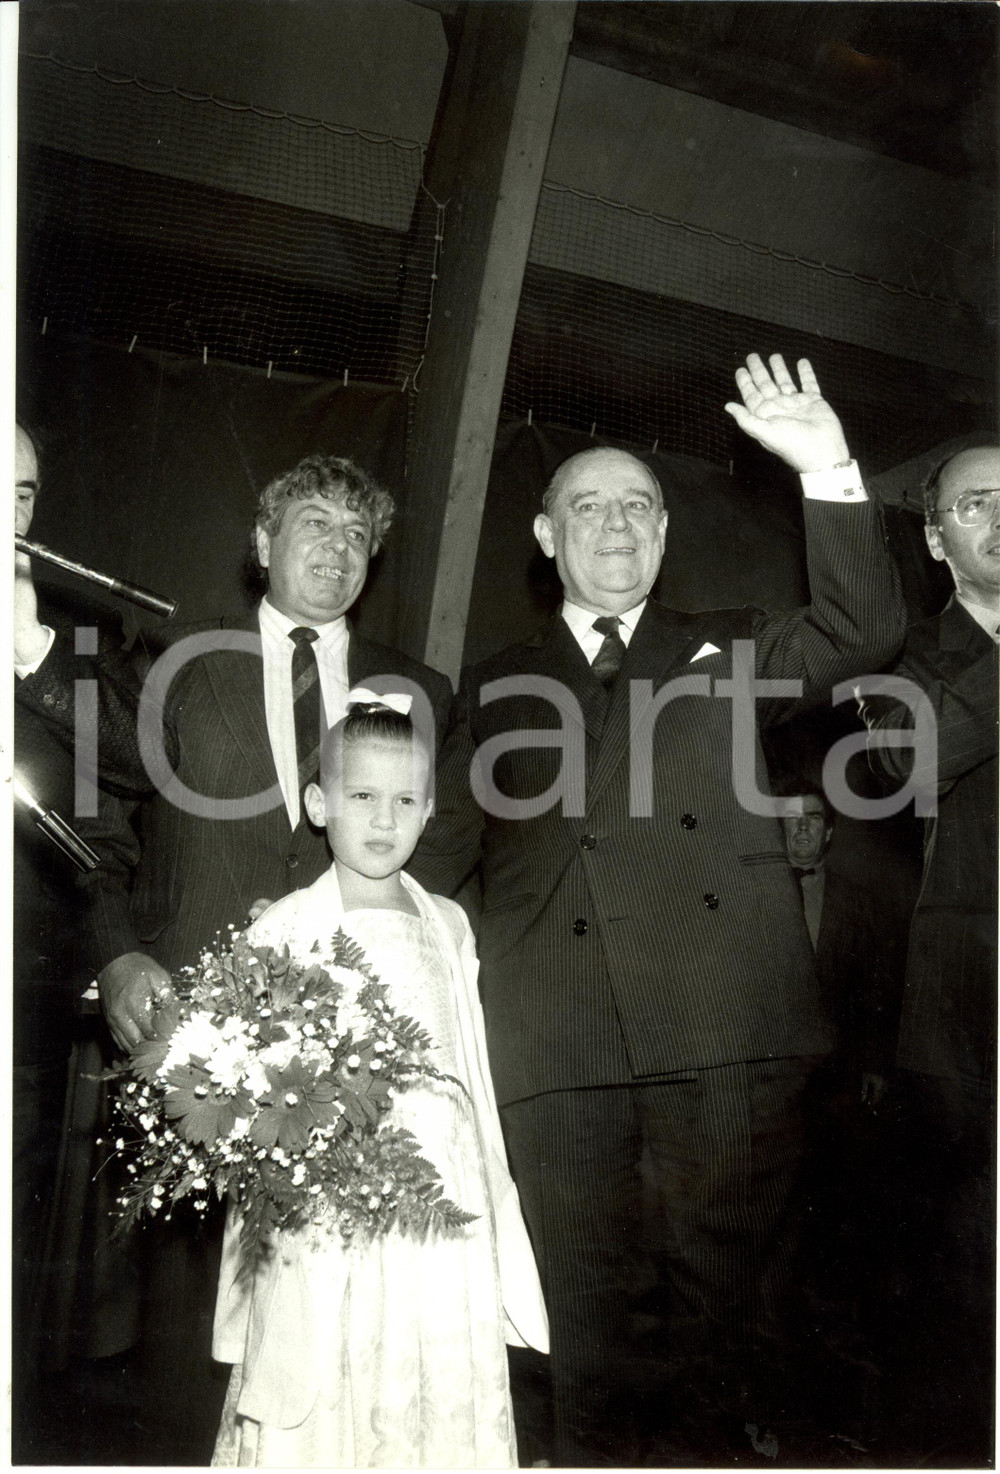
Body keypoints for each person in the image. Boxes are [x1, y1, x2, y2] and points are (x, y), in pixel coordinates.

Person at [410, 353, 906, 1464]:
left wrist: (823, 461)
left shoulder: (730, 648)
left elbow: (866, 630)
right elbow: (431, 856)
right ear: (546, 538)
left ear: (667, 532)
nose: (616, 524)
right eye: (586, 504)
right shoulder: (491, 686)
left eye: (638, 504)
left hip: (723, 1041)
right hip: (556, 1051)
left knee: (725, 1350)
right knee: (588, 1352)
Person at [82, 453, 453, 1461]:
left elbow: (438, 862)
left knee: (319, 1306)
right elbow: (96, 816)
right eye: (311, 524)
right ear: (261, 545)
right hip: (191, 1032)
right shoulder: (170, 660)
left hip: (351, 1049)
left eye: (355, 535)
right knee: (189, 1307)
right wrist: (117, 956)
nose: (334, 549)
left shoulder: (416, 691)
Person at [210, 695, 548, 1468]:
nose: (384, 820)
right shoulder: (286, 926)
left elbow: (469, 1064)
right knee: (331, 1374)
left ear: (431, 811)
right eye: (362, 797)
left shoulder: (449, 923)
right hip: (336, 1217)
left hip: (443, 1212)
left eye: (405, 801)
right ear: (319, 803)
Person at [11, 419, 182, 1461]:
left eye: (22, 494)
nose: (7, 514)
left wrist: (27, 649)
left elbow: (135, 768)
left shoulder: (61, 640)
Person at [860, 442, 998, 1463]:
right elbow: (915, 760)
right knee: (962, 1282)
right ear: (933, 538)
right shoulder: (897, 657)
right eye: (975, 504)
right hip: (964, 1021)